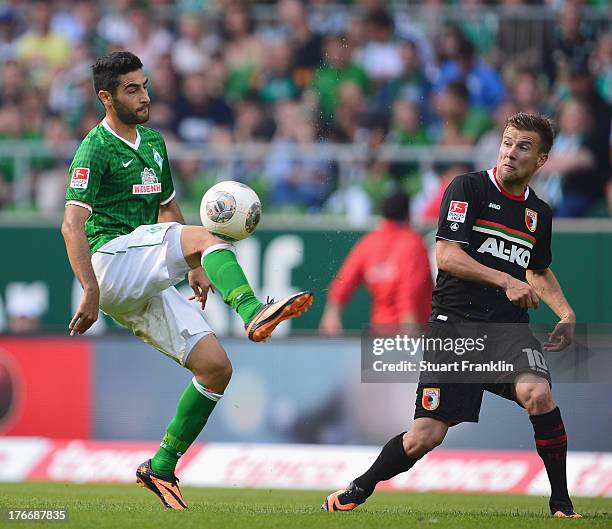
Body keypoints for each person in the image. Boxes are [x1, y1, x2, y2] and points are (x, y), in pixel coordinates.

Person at [61, 52, 313, 510]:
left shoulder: (154, 143)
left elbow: (167, 209)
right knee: (207, 234)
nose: (145, 95)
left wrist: (196, 265)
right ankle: (253, 311)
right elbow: (71, 226)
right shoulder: (94, 148)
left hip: (140, 280)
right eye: (131, 89)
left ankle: (160, 467)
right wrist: (91, 291)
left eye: (145, 85)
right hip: (110, 263)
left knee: (216, 367)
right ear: (106, 97)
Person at [322, 113, 582, 519]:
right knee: (425, 437)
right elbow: (447, 255)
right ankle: (361, 486)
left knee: (539, 394)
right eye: (508, 142)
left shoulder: (539, 214)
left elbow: (536, 269)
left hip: (508, 332)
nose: (511, 152)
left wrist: (565, 312)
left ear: (542, 160)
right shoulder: (469, 188)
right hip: (455, 328)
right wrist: (505, 281)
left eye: (523, 147)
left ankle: (561, 504)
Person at [320, 190, 432, 335]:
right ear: (408, 214)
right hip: (410, 332)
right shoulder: (414, 243)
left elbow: (344, 280)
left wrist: (331, 313)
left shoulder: (369, 242)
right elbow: (409, 294)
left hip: (379, 334)